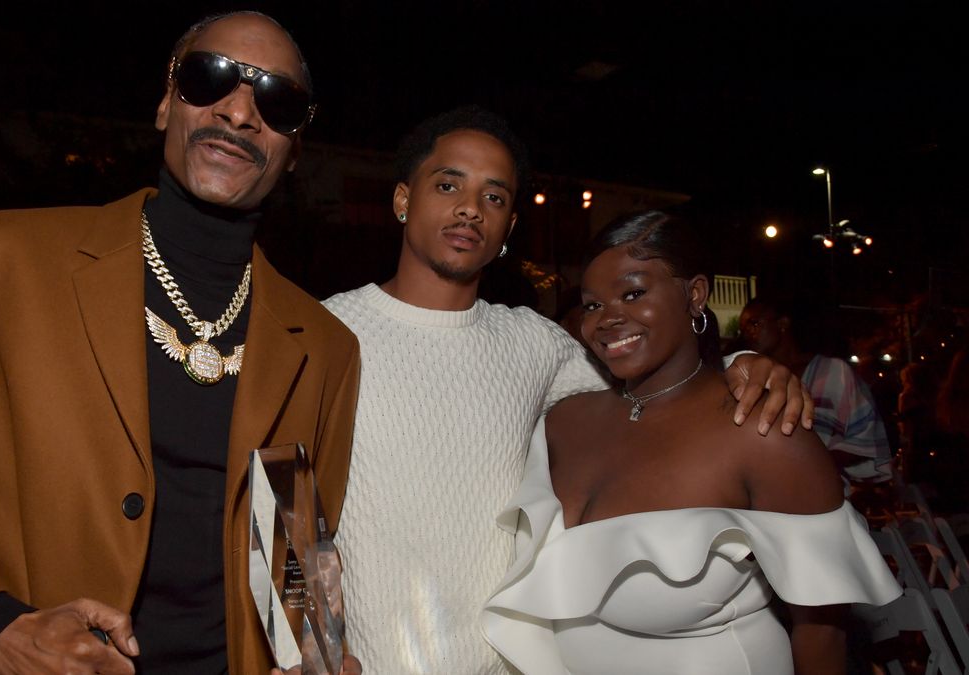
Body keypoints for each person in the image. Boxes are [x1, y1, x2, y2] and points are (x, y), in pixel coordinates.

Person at [0, 11, 359, 675]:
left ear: (295, 145)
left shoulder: (325, 345)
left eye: (277, 101)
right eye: (209, 78)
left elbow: (295, 553)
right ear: (167, 101)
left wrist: (318, 652)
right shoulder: (12, 259)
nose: (239, 111)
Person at [322, 108, 812, 674]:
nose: (469, 209)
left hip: (512, 664)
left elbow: (655, 381)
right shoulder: (329, 334)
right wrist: (302, 650)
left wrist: (742, 362)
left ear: (507, 230)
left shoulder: (533, 342)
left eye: (495, 197)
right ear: (403, 199)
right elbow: (278, 512)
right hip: (371, 661)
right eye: (449, 184)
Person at [482, 211, 900, 674]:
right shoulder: (563, 420)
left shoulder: (762, 429)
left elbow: (821, 630)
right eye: (593, 305)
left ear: (696, 294)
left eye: (633, 293)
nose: (607, 319)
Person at [739, 296, 894, 484]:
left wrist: (812, 462)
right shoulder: (751, 381)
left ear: (782, 323)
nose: (747, 333)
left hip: (826, 498)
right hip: (767, 502)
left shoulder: (835, 372)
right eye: (743, 328)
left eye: (754, 323)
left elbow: (866, 440)